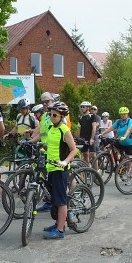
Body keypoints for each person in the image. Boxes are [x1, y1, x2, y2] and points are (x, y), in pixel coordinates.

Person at [27, 101, 77, 239]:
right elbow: (46, 142)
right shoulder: (50, 128)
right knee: (54, 197)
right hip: (50, 167)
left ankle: (60, 230)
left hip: (60, 169)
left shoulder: (64, 130)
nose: (52, 117)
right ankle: (58, 224)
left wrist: (65, 161)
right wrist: (35, 145)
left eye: (55, 115)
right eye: (50, 114)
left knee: (60, 201)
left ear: (62, 117)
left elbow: (74, 150)